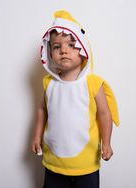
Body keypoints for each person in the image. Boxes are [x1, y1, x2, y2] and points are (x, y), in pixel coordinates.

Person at [31, 10, 120, 188]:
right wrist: (36, 135)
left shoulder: (93, 84)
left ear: (84, 49)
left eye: (71, 45)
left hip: (86, 164)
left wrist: (107, 143)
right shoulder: (49, 84)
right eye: (56, 47)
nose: (64, 50)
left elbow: (104, 114)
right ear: (49, 53)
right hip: (54, 163)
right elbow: (42, 110)